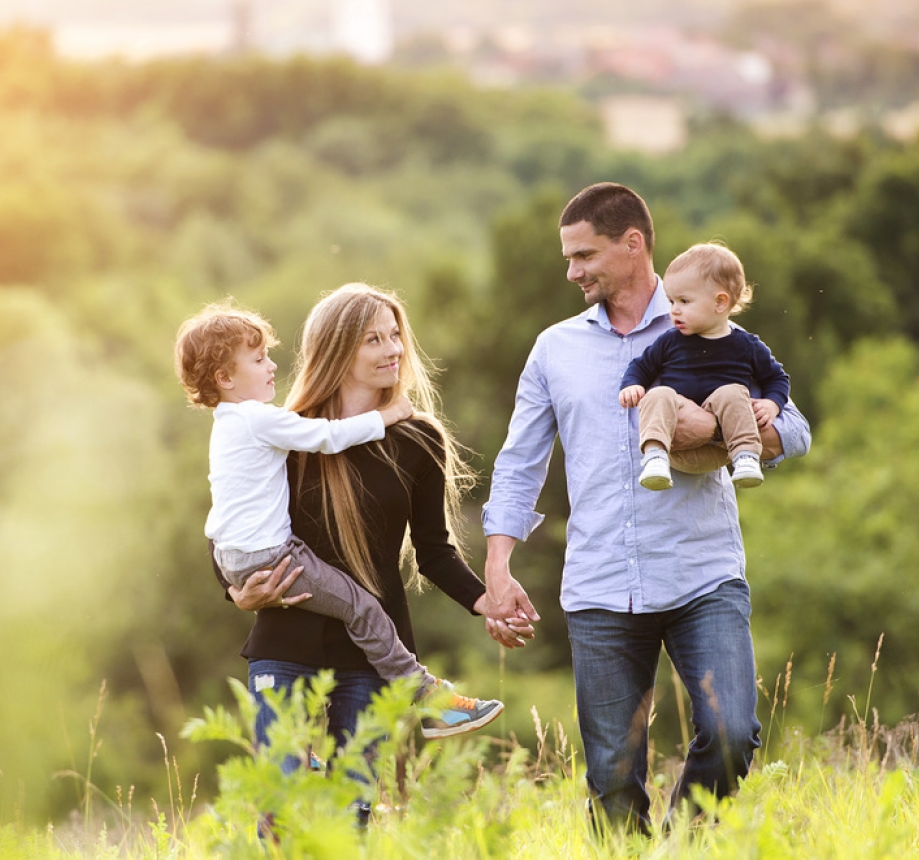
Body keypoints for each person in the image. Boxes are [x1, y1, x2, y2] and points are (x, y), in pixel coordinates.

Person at [480, 183, 812, 833]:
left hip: (702, 574)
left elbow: (795, 429)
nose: (572, 271)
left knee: (730, 733)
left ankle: (680, 846)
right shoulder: (556, 349)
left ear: (633, 245)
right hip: (601, 584)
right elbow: (520, 462)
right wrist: (498, 565)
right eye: (568, 258)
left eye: (584, 255)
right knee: (611, 775)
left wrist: (720, 434)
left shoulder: (716, 331)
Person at [175, 298, 503, 740]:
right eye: (374, 339)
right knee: (283, 799)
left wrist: (487, 601)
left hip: (370, 658)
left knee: (355, 806)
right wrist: (238, 594)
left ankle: (427, 696)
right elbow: (229, 522)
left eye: (394, 335)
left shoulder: (418, 439)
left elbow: (434, 551)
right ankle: (426, 694)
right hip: (285, 646)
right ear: (339, 349)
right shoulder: (289, 432)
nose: (393, 349)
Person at [618, 242, 791, 491]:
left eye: (684, 301)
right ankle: (654, 457)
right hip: (677, 446)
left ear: (720, 303)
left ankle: (746, 458)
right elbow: (641, 366)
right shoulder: (670, 340)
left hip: (725, 450)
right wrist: (632, 385)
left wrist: (772, 403)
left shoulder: (746, 345)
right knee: (659, 394)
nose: (673, 311)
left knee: (732, 392)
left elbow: (777, 378)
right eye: (671, 301)